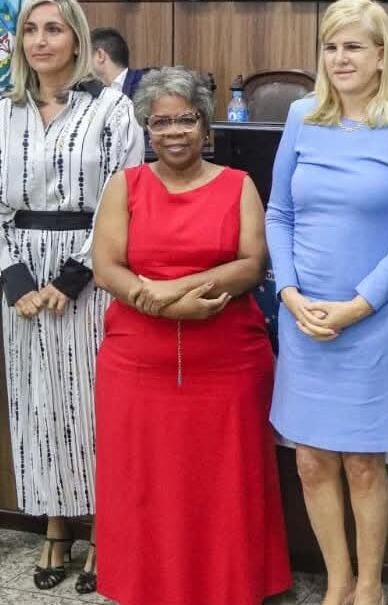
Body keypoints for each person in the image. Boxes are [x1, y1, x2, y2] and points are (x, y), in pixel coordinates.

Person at [91, 66, 292, 605]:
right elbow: (106, 265)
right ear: (147, 129)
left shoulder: (238, 184)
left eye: (186, 119)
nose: (174, 131)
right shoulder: (124, 185)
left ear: (206, 125)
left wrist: (175, 291)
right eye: (161, 122)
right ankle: (146, 587)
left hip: (227, 365)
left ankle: (232, 586)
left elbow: (253, 264)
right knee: (144, 485)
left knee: (226, 485)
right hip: (138, 366)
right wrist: (148, 300)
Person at [266, 0, 388, 605]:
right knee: (311, 459)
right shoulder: (300, 117)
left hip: (372, 322)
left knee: (363, 462)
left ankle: (370, 586)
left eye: (353, 46)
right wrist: (288, 293)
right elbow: (279, 212)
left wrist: (359, 305)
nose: (340, 58)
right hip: (303, 317)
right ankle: (336, 580)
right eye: (331, 46)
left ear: (379, 55)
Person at [0, 0, 144, 593]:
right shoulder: (2, 112)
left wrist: (74, 276)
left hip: (90, 275)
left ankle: (103, 533)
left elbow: (124, 194)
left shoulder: (111, 109)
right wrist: (14, 279)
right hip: (19, 281)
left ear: (78, 39)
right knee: (38, 407)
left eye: (53, 29)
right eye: (31, 29)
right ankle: (55, 526)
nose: (40, 41)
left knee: (90, 409)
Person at [90, 27, 146, 98]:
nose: (80, 63)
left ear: (101, 56)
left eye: (84, 56)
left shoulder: (145, 84)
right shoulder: (89, 92)